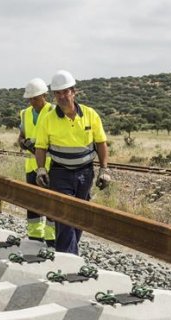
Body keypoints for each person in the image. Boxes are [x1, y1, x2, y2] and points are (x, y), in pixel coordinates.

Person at [34, 70, 111, 255]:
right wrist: (41, 169)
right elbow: (40, 147)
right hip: (60, 173)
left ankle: (70, 252)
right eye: (58, 93)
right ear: (54, 96)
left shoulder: (90, 115)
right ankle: (69, 259)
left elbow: (101, 143)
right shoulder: (48, 119)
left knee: (81, 215)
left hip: (85, 173)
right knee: (65, 215)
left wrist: (104, 169)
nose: (62, 97)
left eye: (65, 92)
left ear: (73, 92)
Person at [18, 78, 56, 247]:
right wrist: (23, 142)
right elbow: (21, 136)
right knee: (32, 203)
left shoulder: (54, 111)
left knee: (50, 203)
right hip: (31, 166)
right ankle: (35, 238)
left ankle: (51, 239)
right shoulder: (25, 113)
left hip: (49, 166)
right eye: (30, 99)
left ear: (44, 96)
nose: (32, 101)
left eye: (35, 98)